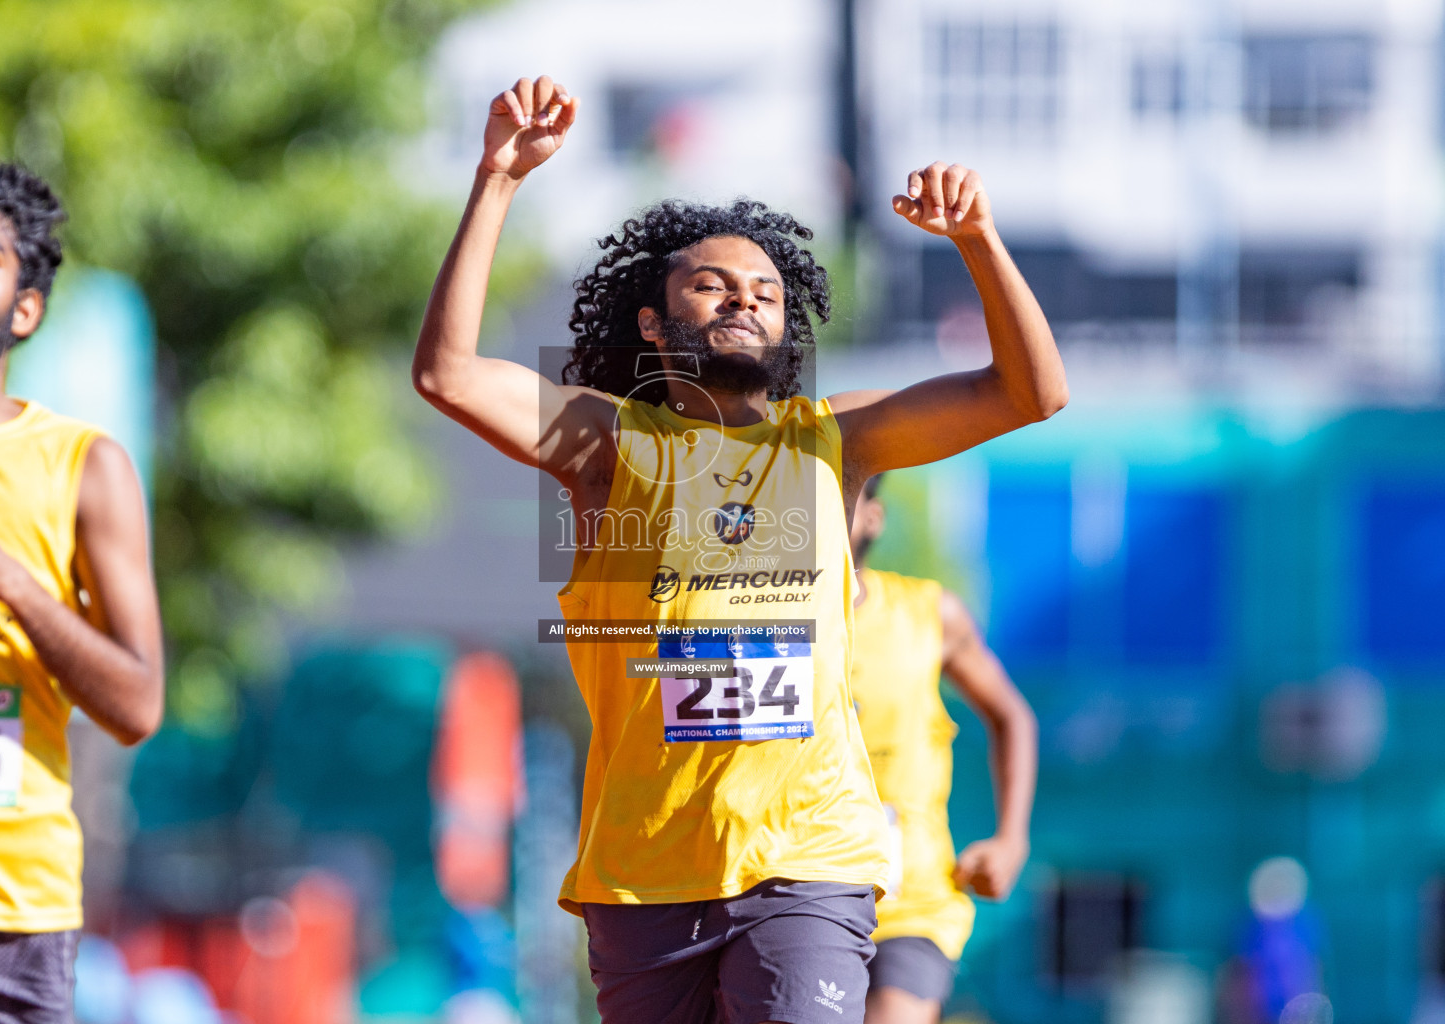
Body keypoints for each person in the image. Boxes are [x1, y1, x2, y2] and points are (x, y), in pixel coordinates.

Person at [411, 76, 1066, 1024]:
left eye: (764, 292)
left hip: (808, 862)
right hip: (642, 873)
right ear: (654, 319)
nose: (742, 302)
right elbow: (447, 373)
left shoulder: (834, 443)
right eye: (710, 285)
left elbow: (1028, 393)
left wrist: (978, 242)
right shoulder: (607, 448)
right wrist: (498, 180)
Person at [0, 144, 164, 1023]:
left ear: (25, 308)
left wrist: (10, 581)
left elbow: (136, 706)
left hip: (17, 900)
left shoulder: (86, 469)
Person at [848, 475, 1036, 1024]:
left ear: (873, 517)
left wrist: (1012, 839)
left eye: (837, 492)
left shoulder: (928, 615)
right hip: (790, 894)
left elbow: (1011, 715)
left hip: (910, 904)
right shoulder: (753, 618)